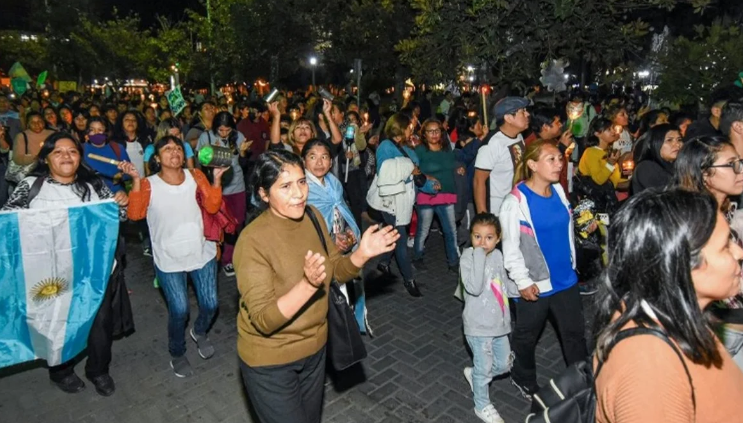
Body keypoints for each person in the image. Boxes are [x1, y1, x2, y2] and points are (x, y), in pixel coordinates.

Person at [233, 149, 398, 423]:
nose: (299, 193)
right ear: (263, 194)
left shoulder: (312, 217)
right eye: (285, 186)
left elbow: (334, 270)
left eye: (301, 182)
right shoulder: (252, 242)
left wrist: (361, 255)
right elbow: (263, 320)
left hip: (315, 351)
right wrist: (308, 285)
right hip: (270, 361)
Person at [593, 189, 743, 422]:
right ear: (684, 265)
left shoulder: (674, 312)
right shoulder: (649, 372)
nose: (739, 252)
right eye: (725, 246)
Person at [2, 132, 132, 396]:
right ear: (46, 158)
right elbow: (9, 224)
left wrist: (122, 203)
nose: (66, 156)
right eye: (58, 151)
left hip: (94, 274)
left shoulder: (94, 184)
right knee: (57, 324)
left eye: (72, 151)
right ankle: (61, 371)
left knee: (100, 324)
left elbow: (118, 218)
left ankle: (98, 370)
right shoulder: (31, 186)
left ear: (79, 157)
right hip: (53, 278)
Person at [126, 135, 226, 378]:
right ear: (157, 158)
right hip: (169, 258)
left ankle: (199, 331)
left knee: (211, 304)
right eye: (168, 149)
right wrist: (136, 181)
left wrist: (216, 180)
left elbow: (212, 207)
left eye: (178, 148)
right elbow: (135, 214)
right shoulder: (148, 184)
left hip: (201, 251)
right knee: (179, 310)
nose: (175, 152)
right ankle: (177, 352)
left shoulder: (196, 175)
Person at [500, 140, 587, 400]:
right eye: (551, 159)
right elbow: (510, 248)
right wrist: (522, 281)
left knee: (574, 334)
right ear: (532, 165)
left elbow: (563, 229)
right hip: (535, 282)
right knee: (527, 336)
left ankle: (583, 381)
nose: (559, 164)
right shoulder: (515, 202)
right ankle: (522, 376)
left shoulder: (558, 190)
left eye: (560, 158)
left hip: (565, 278)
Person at [673, 136, 743, 369]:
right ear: (705, 174)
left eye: (740, 162)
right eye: (731, 164)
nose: (740, 170)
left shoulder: (727, 209)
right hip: (717, 331)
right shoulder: (694, 223)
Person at [302, 138, 369, 333]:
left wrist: (349, 232)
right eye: (313, 157)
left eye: (324, 157)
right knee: (328, 298)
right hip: (319, 250)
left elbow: (342, 209)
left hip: (343, 244)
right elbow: (303, 225)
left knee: (346, 288)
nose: (319, 162)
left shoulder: (334, 182)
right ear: (303, 161)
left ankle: (348, 325)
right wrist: (331, 239)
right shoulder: (302, 189)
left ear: (331, 162)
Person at [367, 113, 433, 297]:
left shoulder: (405, 146)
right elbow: (384, 172)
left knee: (395, 235)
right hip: (391, 202)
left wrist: (428, 184)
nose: (412, 129)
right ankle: (408, 279)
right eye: (409, 126)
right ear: (400, 128)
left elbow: (415, 172)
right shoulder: (386, 146)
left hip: (405, 200)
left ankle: (383, 263)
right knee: (401, 240)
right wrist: (407, 166)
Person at [460, 213, 517, 423]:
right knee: (484, 370)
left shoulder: (498, 256)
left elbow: (505, 285)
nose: (482, 242)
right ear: (471, 236)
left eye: (489, 237)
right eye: (477, 237)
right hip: (478, 326)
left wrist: (523, 289)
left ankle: (476, 374)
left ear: (498, 238)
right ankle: (481, 405)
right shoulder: (468, 257)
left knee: (504, 364)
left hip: (499, 324)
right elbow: (474, 288)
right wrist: (479, 255)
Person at [196, 111, 252, 277]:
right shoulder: (206, 137)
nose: (224, 133)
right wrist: (212, 155)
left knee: (238, 222)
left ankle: (233, 254)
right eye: (221, 130)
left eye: (228, 130)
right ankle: (224, 258)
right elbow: (200, 162)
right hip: (217, 187)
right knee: (220, 223)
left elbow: (243, 164)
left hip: (237, 185)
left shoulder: (238, 136)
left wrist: (243, 152)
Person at [412, 118, 461, 272]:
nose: (434, 134)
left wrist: (459, 168)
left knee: (450, 231)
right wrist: (427, 177)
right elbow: (414, 171)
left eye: (437, 131)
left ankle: (453, 262)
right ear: (424, 134)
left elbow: (453, 164)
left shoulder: (447, 149)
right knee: (423, 230)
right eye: (430, 131)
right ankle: (417, 257)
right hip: (426, 195)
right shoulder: (419, 150)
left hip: (446, 195)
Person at [473, 97, 530, 215]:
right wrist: (483, 217)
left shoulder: (519, 137)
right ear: (508, 118)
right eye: (522, 111)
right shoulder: (491, 145)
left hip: (516, 205)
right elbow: (479, 181)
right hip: (498, 211)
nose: (527, 114)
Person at [82, 117, 131, 194]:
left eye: (100, 130)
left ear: (106, 132)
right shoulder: (81, 150)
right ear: (87, 132)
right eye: (92, 130)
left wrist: (120, 176)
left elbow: (129, 172)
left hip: (117, 195)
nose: (96, 133)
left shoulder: (117, 148)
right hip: (91, 195)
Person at [631, 123, 683, 194]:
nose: (677, 144)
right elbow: (670, 195)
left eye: (679, 140)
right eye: (669, 140)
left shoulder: (677, 165)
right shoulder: (646, 167)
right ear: (653, 143)